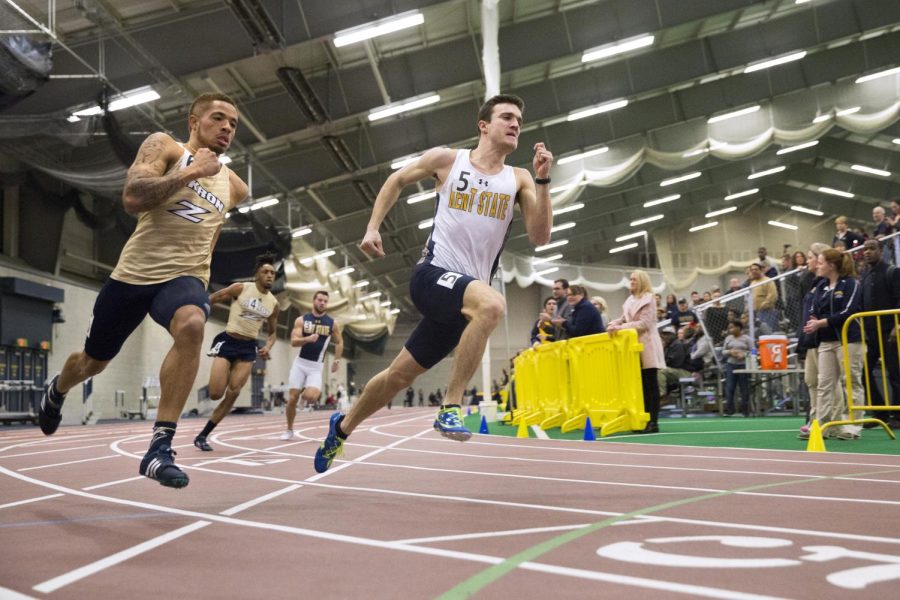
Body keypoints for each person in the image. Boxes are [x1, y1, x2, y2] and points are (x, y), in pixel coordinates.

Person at [312, 94, 553, 473]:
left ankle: (341, 427)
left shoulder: (518, 178)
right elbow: (397, 179)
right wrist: (373, 226)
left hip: (462, 301)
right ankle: (451, 407)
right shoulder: (449, 160)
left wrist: (543, 179)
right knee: (492, 305)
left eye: (519, 120)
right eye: (507, 116)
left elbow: (540, 237)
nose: (515, 124)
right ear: (483, 125)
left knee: (399, 375)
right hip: (432, 275)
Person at [37, 93, 247, 488]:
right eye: (218, 119)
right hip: (133, 277)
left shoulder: (236, 187)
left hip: (185, 278)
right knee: (92, 363)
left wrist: (201, 274)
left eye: (233, 124)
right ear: (194, 121)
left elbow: (211, 231)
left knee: (191, 325)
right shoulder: (164, 146)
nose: (226, 128)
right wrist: (190, 172)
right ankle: (58, 389)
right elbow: (133, 197)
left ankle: (159, 448)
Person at [193, 253, 279, 451]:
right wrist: (196, 313)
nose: (269, 276)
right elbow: (212, 298)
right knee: (215, 394)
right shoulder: (241, 288)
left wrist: (268, 346)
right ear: (257, 274)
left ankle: (202, 436)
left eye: (272, 273)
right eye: (265, 272)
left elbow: (273, 333)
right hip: (228, 341)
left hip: (248, 348)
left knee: (233, 393)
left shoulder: (274, 304)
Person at [801, 248, 863, 440]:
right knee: (824, 384)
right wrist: (816, 322)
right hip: (826, 342)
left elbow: (848, 311)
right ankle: (822, 425)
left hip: (848, 339)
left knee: (851, 381)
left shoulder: (851, 284)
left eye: (820, 262)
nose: (817, 266)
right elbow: (813, 310)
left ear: (832, 265)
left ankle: (852, 426)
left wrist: (822, 322)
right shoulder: (820, 286)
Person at [607, 270, 665, 433]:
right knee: (640, 386)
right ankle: (642, 420)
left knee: (650, 385)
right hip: (633, 346)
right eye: (630, 279)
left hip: (647, 345)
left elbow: (645, 323)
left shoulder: (649, 298)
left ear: (642, 281)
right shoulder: (630, 300)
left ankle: (653, 422)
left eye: (634, 280)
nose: (631, 282)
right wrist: (614, 323)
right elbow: (625, 318)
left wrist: (621, 327)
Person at [282, 290, 344, 439]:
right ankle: (289, 430)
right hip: (300, 364)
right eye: (320, 300)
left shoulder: (331, 323)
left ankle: (304, 396)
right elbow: (293, 342)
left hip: (316, 366)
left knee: (312, 397)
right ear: (314, 301)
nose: (322, 303)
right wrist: (307, 339)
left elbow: (339, 342)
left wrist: (336, 360)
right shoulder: (302, 320)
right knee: (291, 399)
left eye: (325, 301)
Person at [859, 239, 900, 427]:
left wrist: (896, 326)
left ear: (881, 250)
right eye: (865, 249)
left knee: (895, 373)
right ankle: (880, 413)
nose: (868, 252)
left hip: (890, 332)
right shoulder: (864, 275)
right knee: (864, 372)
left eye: (872, 249)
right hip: (870, 333)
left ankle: (898, 416)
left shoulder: (892, 271)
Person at [722, 320, 753, 416]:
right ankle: (729, 410)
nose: (730, 329)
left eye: (732, 327)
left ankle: (745, 410)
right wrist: (730, 352)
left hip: (743, 365)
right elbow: (723, 351)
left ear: (739, 328)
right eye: (729, 328)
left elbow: (753, 351)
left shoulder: (747, 339)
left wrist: (744, 354)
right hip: (731, 364)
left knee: (744, 388)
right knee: (730, 387)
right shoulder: (728, 338)